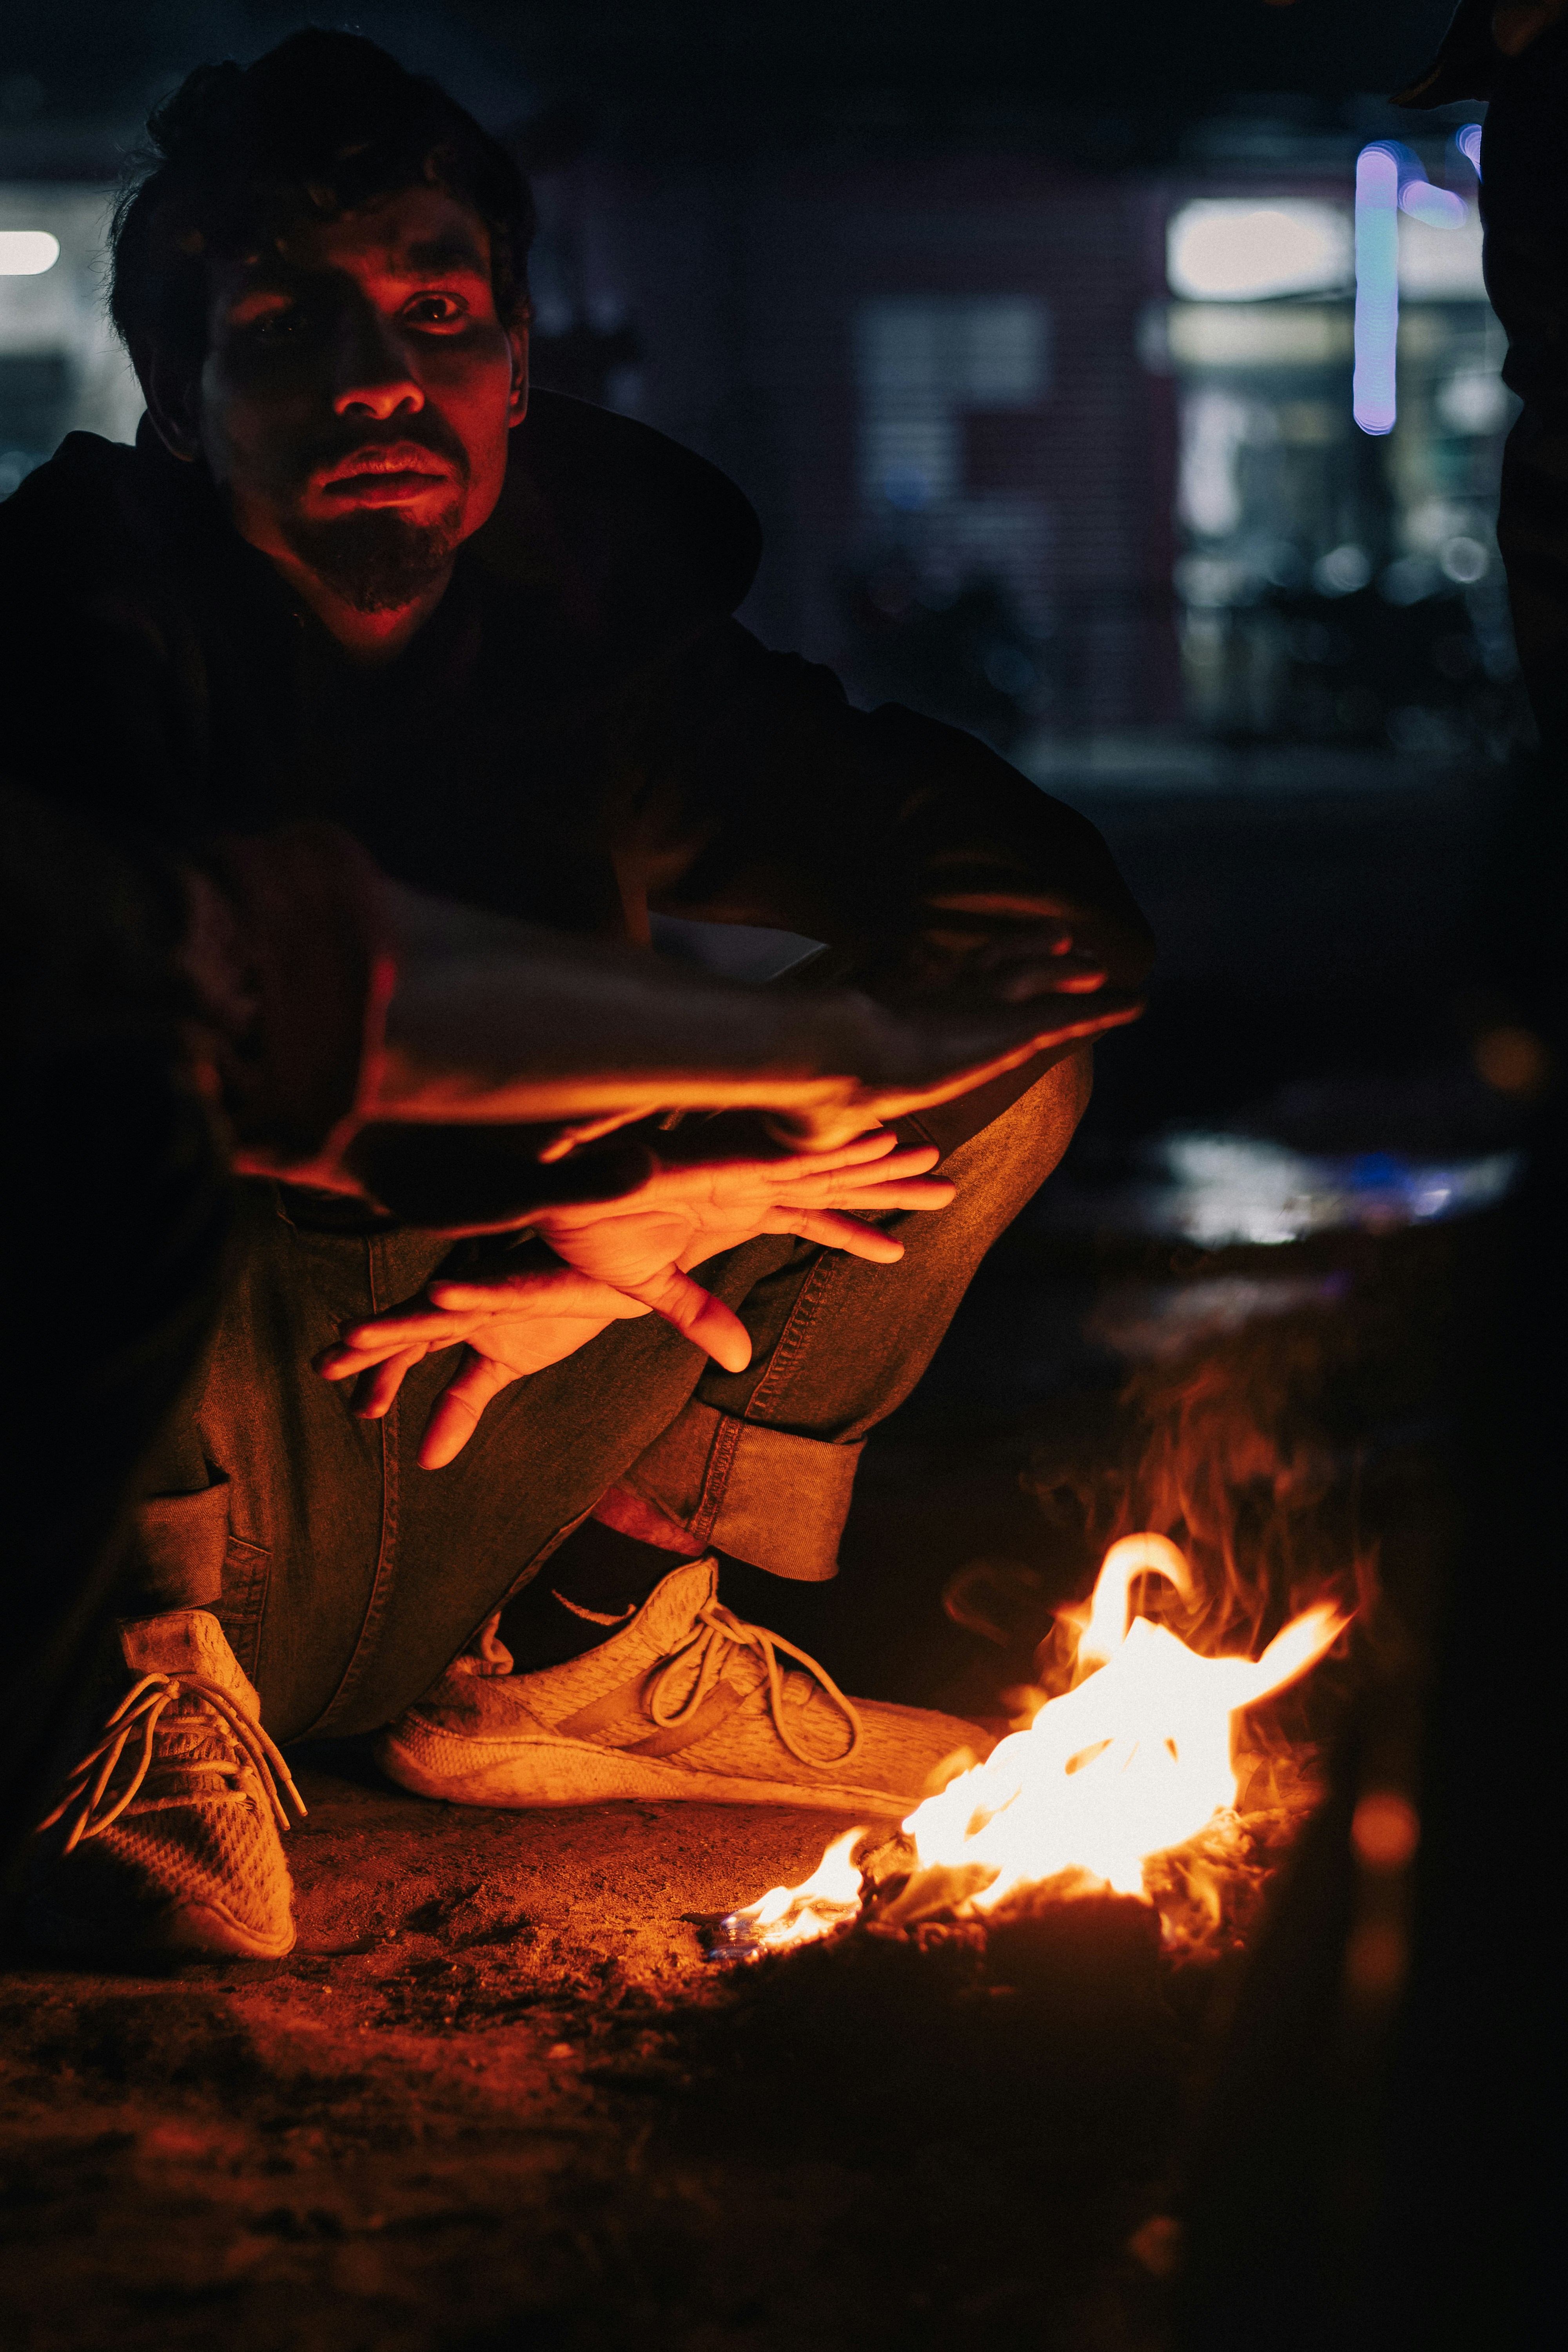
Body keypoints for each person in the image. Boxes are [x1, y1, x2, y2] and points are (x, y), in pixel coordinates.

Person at [0, 30, 1152, 1962]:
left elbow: (1050, 929)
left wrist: (671, 1199)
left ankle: (584, 1647)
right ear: (186, 409)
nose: (377, 376)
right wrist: (657, 1143)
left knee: (1004, 1064)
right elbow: (279, 982)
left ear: (517, 369)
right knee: (92, 1036)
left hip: (492, 1430)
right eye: (286, 324)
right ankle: (133, 1697)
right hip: (170, 1461)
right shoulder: (68, 641)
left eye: (436, 308)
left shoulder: (608, 655)